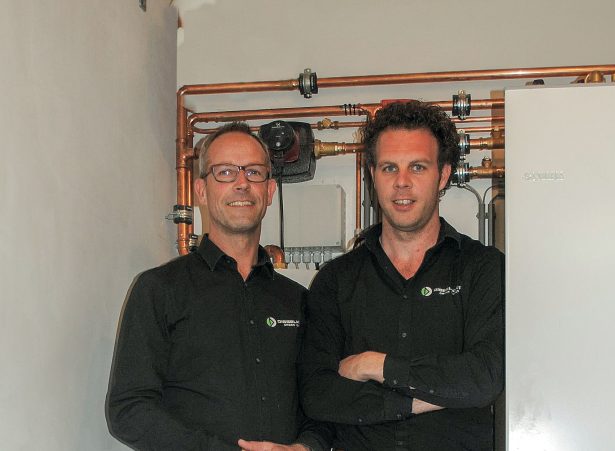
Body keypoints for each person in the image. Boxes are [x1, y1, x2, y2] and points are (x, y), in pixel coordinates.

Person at [107, 122, 332, 451]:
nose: (242, 183)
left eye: (254, 172)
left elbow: (320, 402)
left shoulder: (296, 299)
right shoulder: (159, 289)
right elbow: (128, 410)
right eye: (225, 172)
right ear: (201, 190)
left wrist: (305, 447)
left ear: (269, 191)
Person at [299, 101, 504, 450]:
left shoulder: (482, 268)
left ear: (443, 175)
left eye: (418, 167)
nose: (402, 183)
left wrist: (375, 365)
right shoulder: (336, 281)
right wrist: (416, 401)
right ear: (372, 175)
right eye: (389, 168)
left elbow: (484, 376)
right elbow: (318, 394)